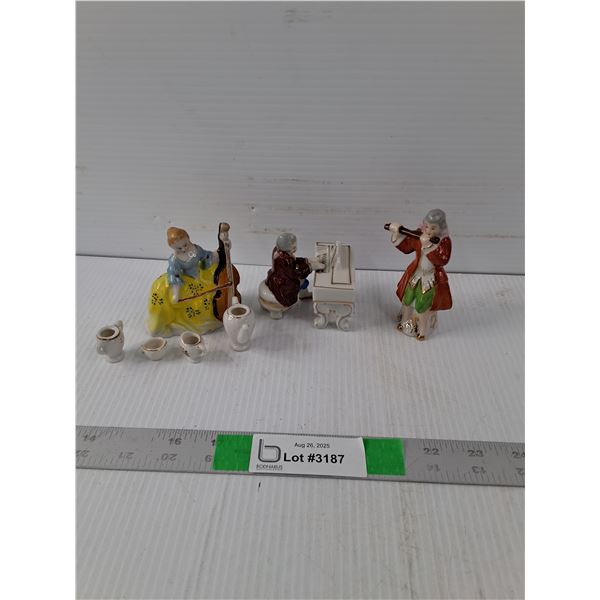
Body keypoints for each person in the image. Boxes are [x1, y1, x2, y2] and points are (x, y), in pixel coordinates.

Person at [387, 209, 452, 340]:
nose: (428, 231)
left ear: (441, 228)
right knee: (407, 298)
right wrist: (397, 233)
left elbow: (442, 260)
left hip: (431, 276)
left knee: (423, 303)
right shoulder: (419, 234)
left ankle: (422, 330)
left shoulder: (444, 241)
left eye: (433, 228)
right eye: (427, 226)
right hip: (416, 273)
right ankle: (404, 322)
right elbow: (407, 247)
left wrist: (427, 246)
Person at [258, 232, 324, 318]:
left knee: (304, 282)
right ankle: (277, 311)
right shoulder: (285, 259)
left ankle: (303, 294)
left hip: (276, 277)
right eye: (293, 247)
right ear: (286, 247)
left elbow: (294, 261)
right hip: (283, 284)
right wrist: (310, 267)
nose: (295, 248)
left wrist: (307, 260)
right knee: (301, 281)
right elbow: (296, 273)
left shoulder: (279, 251)